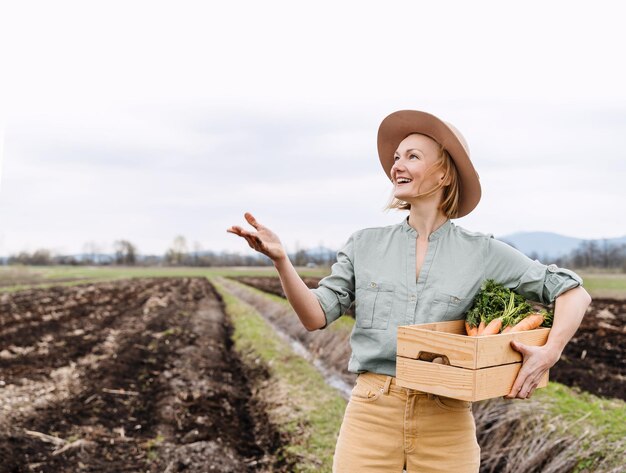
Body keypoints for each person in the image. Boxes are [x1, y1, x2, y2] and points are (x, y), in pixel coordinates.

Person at [226, 109, 592, 472]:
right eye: (396, 158)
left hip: (447, 419)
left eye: (412, 157)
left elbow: (573, 292)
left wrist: (550, 351)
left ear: (445, 172)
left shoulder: (482, 252)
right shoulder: (364, 245)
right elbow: (314, 316)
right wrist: (281, 261)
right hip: (372, 412)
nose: (396, 166)